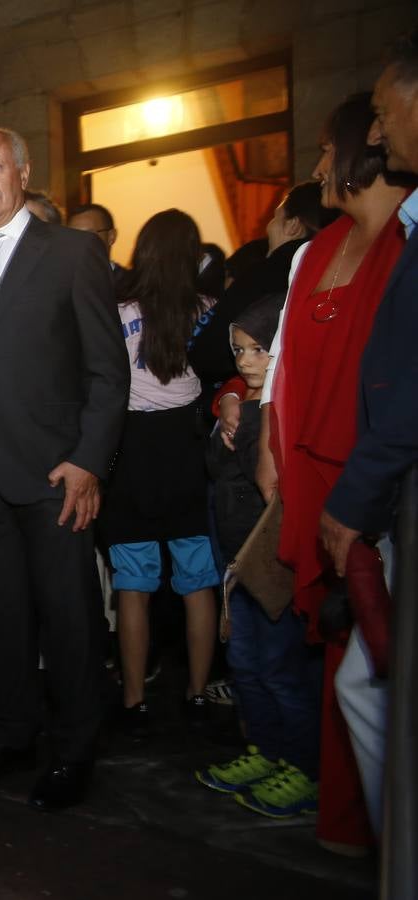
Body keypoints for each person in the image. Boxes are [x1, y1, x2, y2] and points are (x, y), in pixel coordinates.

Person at [0, 126, 129, 810]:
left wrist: (87, 461)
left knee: (69, 617)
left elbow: (107, 369)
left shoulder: (72, 253)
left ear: (23, 172)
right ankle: (13, 733)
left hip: (53, 475)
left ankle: (75, 750)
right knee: (0, 615)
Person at [253, 93, 415, 847]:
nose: (318, 165)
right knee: (334, 644)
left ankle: (371, 830)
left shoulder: (404, 244)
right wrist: (270, 446)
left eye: (327, 149)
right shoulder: (316, 250)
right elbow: (283, 363)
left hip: (376, 476)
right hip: (314, 468)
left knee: (367, 657)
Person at [319, 28, 418, 840]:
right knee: (366, 680)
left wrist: (357, 489)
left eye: (387, 112)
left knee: (369, 679)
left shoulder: (400, 235)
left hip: (377, 474)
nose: (379, 132)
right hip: (372, 477)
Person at [195, 297, 323, 810]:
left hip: (273, 561)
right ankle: (267, 751)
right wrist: (231, 403)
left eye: (258, 350)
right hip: (235, 561)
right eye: (238, 350)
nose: (245, 361)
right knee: (246, 665)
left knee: (281, 667)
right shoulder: (240, 405)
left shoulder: (281, 410)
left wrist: (241, 409)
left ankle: (305, 767)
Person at [101, 209, 221, 733]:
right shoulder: (210, 311)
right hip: (188, 450)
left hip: (131, 452)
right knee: (197, 581)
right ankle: (197, 692)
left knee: (133, 584)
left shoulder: (117, 310)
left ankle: (134, 700)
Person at [188, 181, 335, 409]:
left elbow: (209, 353)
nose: (269, 228)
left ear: (293, 225)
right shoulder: (338, 268)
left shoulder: (263, 276)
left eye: (275, 218)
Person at [68, 202, 125, 279]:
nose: (79, 242)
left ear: (111, 236)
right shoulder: (62, 283)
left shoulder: (131, 286)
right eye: (74, 236)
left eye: (88, 235)